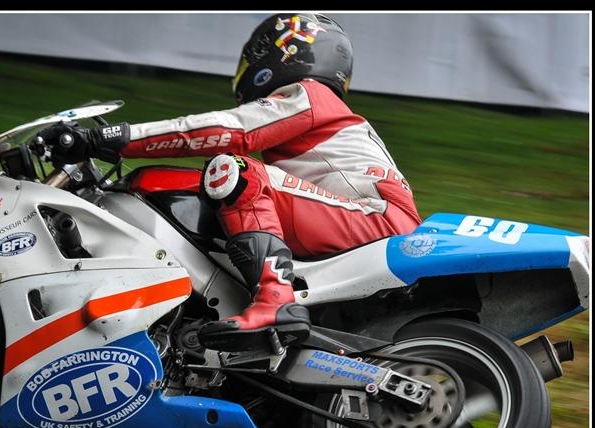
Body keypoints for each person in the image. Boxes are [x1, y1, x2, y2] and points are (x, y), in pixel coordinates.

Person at [39, 13, 422, 351]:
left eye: (258, 50)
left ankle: (274, 299)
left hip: (373, 218)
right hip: (367, 217)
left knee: (234, 170)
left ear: (289, 51)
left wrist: (116, 137)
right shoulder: (322, 110)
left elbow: (231, 131)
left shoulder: (309, 95)